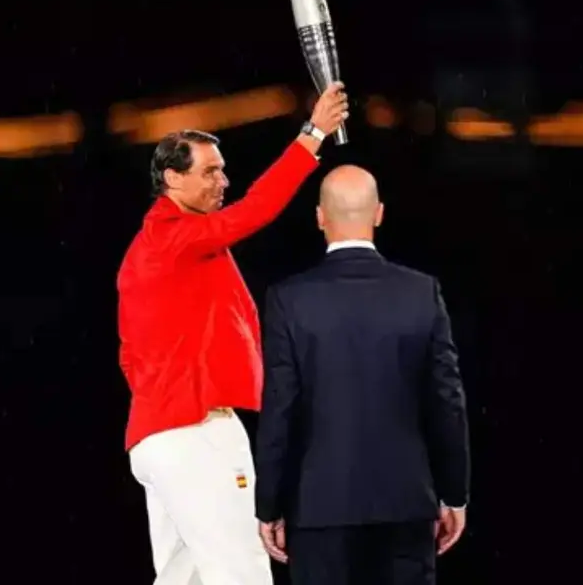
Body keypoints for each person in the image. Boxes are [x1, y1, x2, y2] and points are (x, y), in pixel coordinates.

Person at [118, 82, 349, 585]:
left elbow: (129, 355)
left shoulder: (156, 248)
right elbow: (255, 210)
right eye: (210, 171)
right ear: (172, 178)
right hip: (192, 429)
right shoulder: (174, 238)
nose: (224, 181)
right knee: (240, 571)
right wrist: (312, 135)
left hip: (158, 433)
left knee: (184, 578)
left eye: (223, 168)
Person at [254, 165, 471, 585]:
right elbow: (448, 401)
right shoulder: (421, 292)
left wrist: (269, 505)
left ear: (320, 217)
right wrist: (454, 493)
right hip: (407, 506)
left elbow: (280, 409)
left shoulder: (289, 299)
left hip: (319, 511)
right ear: (379, 213)